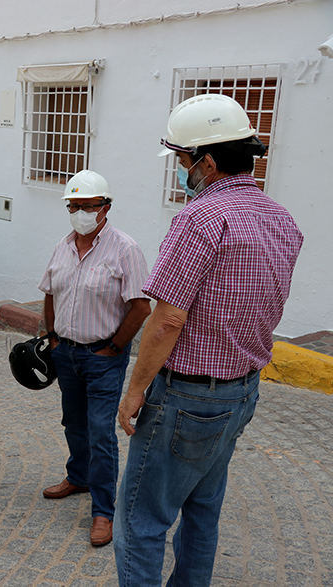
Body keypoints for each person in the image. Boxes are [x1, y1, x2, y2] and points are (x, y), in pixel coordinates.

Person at [114, 94, 303, 586]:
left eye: (182, 159)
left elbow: (167, 319)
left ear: (209, 161)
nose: (181, 170)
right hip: (242, 392)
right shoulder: (281, 219)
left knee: (140, 522)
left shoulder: (201, 218)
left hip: (187, 396)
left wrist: (135, 391)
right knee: (202, 513)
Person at [38, 170, 151, 547]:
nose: (81, 212)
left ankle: (103, 511)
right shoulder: (62, 246)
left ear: (105, 208)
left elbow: (140, 307)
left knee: (102, 432)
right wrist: (52, 337)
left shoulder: (125, 249)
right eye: (74, 206)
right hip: (66, 354)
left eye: (88, 206)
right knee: (73, 421)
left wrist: (115, 348)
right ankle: (79, 477)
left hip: (103, 357)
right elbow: (50, 293)